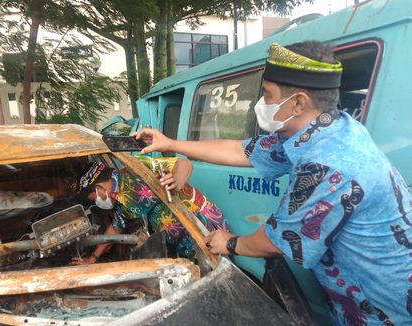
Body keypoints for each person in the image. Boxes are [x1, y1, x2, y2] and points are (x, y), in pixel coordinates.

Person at [134, 41, 412, 324]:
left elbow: (275, 241)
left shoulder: (328, 162)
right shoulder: (326, 127)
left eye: (267, 94)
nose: (261, 104)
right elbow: (240, 150)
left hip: (385, 307)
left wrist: (230, 243)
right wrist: (170, 142)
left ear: (298, 102)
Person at [74, 156, 227, 264]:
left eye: (93, 198)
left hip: (202, 224)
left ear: (99, 187)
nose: (96, 203)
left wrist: (174, 189)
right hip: (183, 242)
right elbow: (114, 229)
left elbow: (185, 164)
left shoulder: (135, 168)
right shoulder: (120, 203)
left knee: (223, 273)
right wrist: (93, 258)